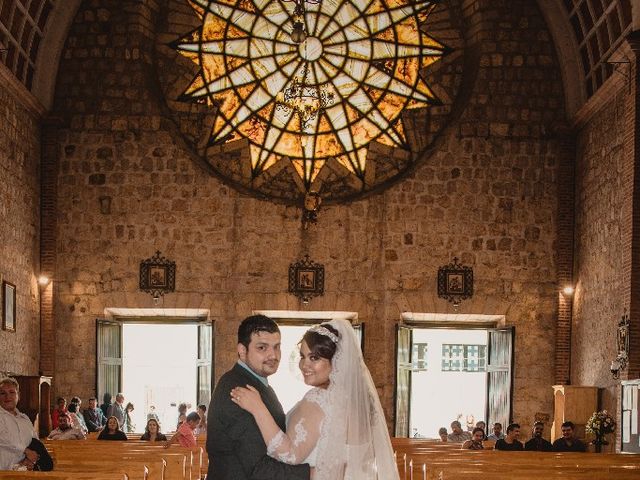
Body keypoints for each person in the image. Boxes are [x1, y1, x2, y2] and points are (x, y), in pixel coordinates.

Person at [232, 318, 400, 480]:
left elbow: (289, 455)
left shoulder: (319, 399)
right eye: (302, 356)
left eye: (314, 358)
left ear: (336, 361)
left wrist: (258, 409)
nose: (304, 365)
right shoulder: (361, 403)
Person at [207, 314, 310, 480]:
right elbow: (259, 469)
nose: (273, 355)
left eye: (276, 347)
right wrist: (316, 472)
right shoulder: (237, 390)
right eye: (262, 348)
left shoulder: (256, 383)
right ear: (242, 351)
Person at [0, 377, 40, 471]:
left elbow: (35, 441)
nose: (7, 396)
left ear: (19, 395)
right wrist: (26, 451)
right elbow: (3, 438)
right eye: (3, 393)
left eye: (12, 392)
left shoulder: (25, 419)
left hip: (23, 471)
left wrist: (29, 460)